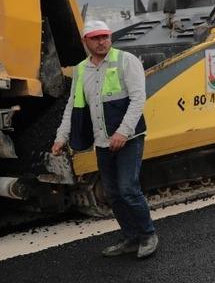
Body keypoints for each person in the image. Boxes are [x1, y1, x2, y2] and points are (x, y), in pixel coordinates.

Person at [51, 20, 158, 259]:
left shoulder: (126, 61)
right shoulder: (81, 70)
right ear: (85, 41)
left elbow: (138, 99)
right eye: (96, 38)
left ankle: (148, 235)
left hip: (129, 138)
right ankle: (131, 238)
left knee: (128, 189)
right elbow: (73, 107)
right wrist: (61, 137)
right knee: (112, 194)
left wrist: (123, 132)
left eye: (105, 37)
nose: (102, 42)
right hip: (102, 142)